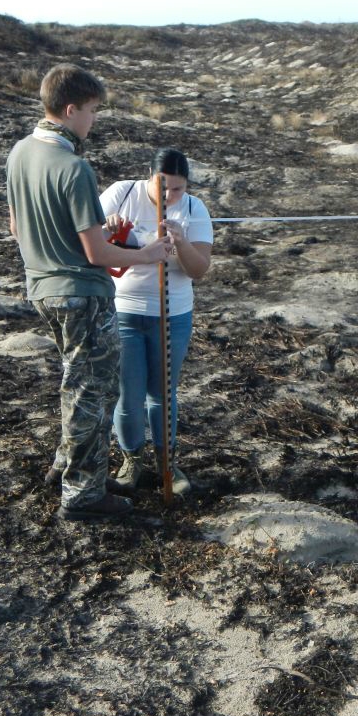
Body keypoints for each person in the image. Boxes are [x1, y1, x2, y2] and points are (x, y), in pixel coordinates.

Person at [6, 64, 168, 522]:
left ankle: (67, 467)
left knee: (74, 384)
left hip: (42, 288)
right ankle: (83, 493)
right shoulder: (74, 167)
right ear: (71, 109)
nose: (94, 121)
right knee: (92, 396)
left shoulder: (20, 153)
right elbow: (98, 254)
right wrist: (149, 253)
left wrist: (77, 237)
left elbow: (18, 227)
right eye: (93, 111)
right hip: (83, 294)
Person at [100, 148, 213, 496]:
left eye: (177, 189)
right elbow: (91, 242)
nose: (168, 196)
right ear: (148, 173)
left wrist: (180, 242)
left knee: (163, 394)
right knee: (128, 394)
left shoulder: (194, 209)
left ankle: (167, 462)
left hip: (173, 314)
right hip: (125, 311)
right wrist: (108, 230)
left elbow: (199, 270)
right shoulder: (122, 193)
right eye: (162, 186)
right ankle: (131, 459)